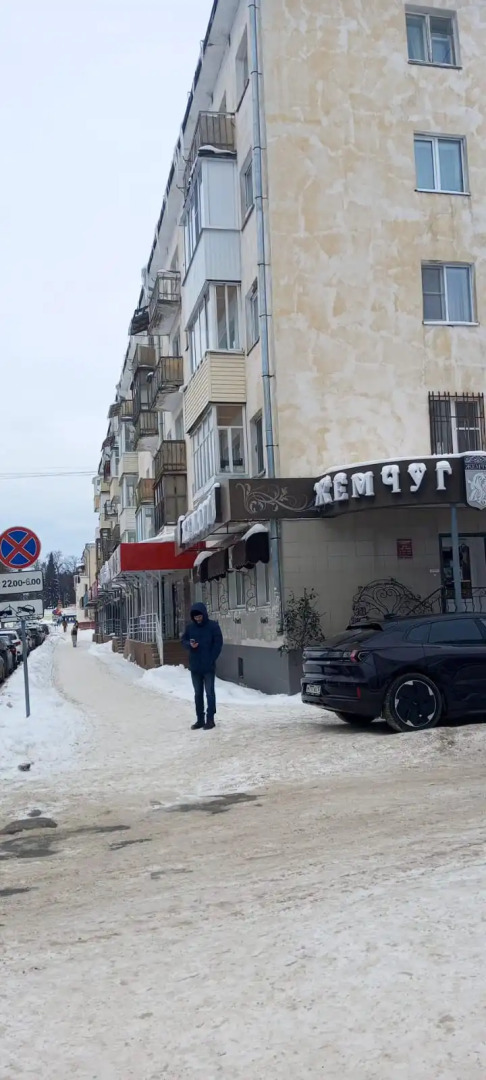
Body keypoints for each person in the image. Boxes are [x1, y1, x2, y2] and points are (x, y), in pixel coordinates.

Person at [181, 602, 223, 731]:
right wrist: (189, 645)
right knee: (198, 693)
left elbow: (218, 644)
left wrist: (211, 659)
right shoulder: (190, 628)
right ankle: (200, 719)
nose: (198, 619)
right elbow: (183, 640)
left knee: (209, 693)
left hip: (208, 666)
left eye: (200, 616)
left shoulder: (213, 627)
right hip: (195, 666)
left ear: (204, 615)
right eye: (195, 617)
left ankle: (210, 719)